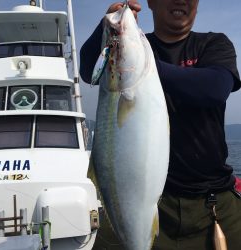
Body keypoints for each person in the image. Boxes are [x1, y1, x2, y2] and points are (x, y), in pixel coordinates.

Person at [80, 0, 241, 249]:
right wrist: (107, 29)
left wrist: (141, 65)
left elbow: (215, 89)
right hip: (145, 201)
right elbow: (89, 68)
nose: (182, 1)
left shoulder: (213, 43)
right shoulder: (140, 49)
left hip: (212, 203)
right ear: (151, 3)